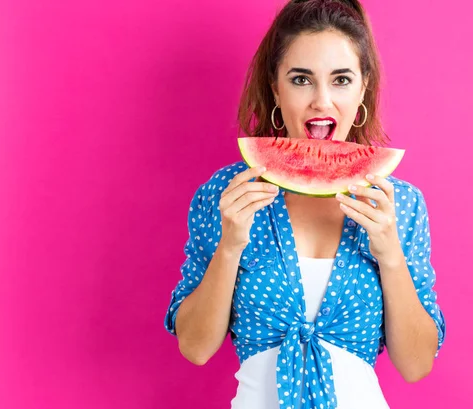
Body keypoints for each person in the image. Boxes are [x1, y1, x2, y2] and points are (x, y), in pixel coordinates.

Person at [164, 1, 446, 408]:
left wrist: (391, 255)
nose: (321, 101)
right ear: (276, 88)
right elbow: (195, 347)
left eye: (341, 80)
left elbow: (417, 365)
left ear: (363, 87)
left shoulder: (398, 204)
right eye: (301, 79)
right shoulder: (228, 193)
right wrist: (229, 247)